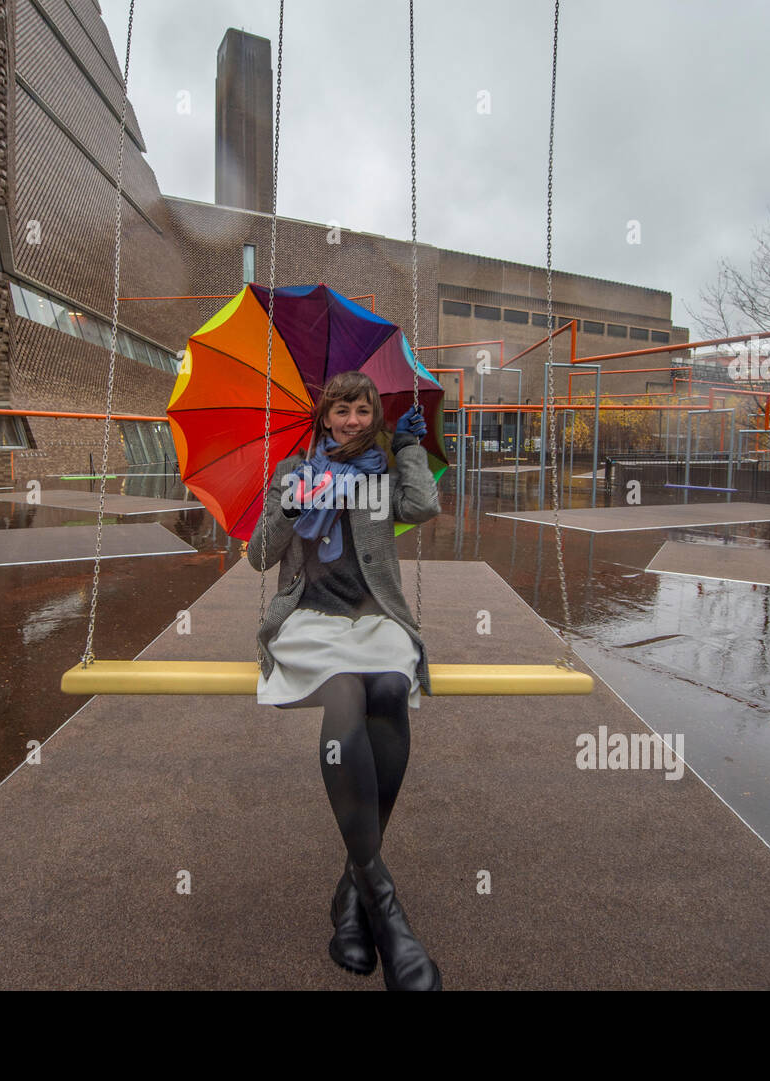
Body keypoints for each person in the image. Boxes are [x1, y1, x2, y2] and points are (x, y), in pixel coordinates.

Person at [246, 370, 443, 992]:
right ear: (325, 416)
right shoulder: (294, 471)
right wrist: (292, 506)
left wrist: (410, 448)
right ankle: (386, 909)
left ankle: (352, 895)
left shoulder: (385, 472)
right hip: (309, 619)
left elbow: (423, 507)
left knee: (389, 690)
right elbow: (258, 554)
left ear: (374, 415)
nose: (353, 420)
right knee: (348, 698)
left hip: (372, 616)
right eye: (342, 411)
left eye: (363, 410)